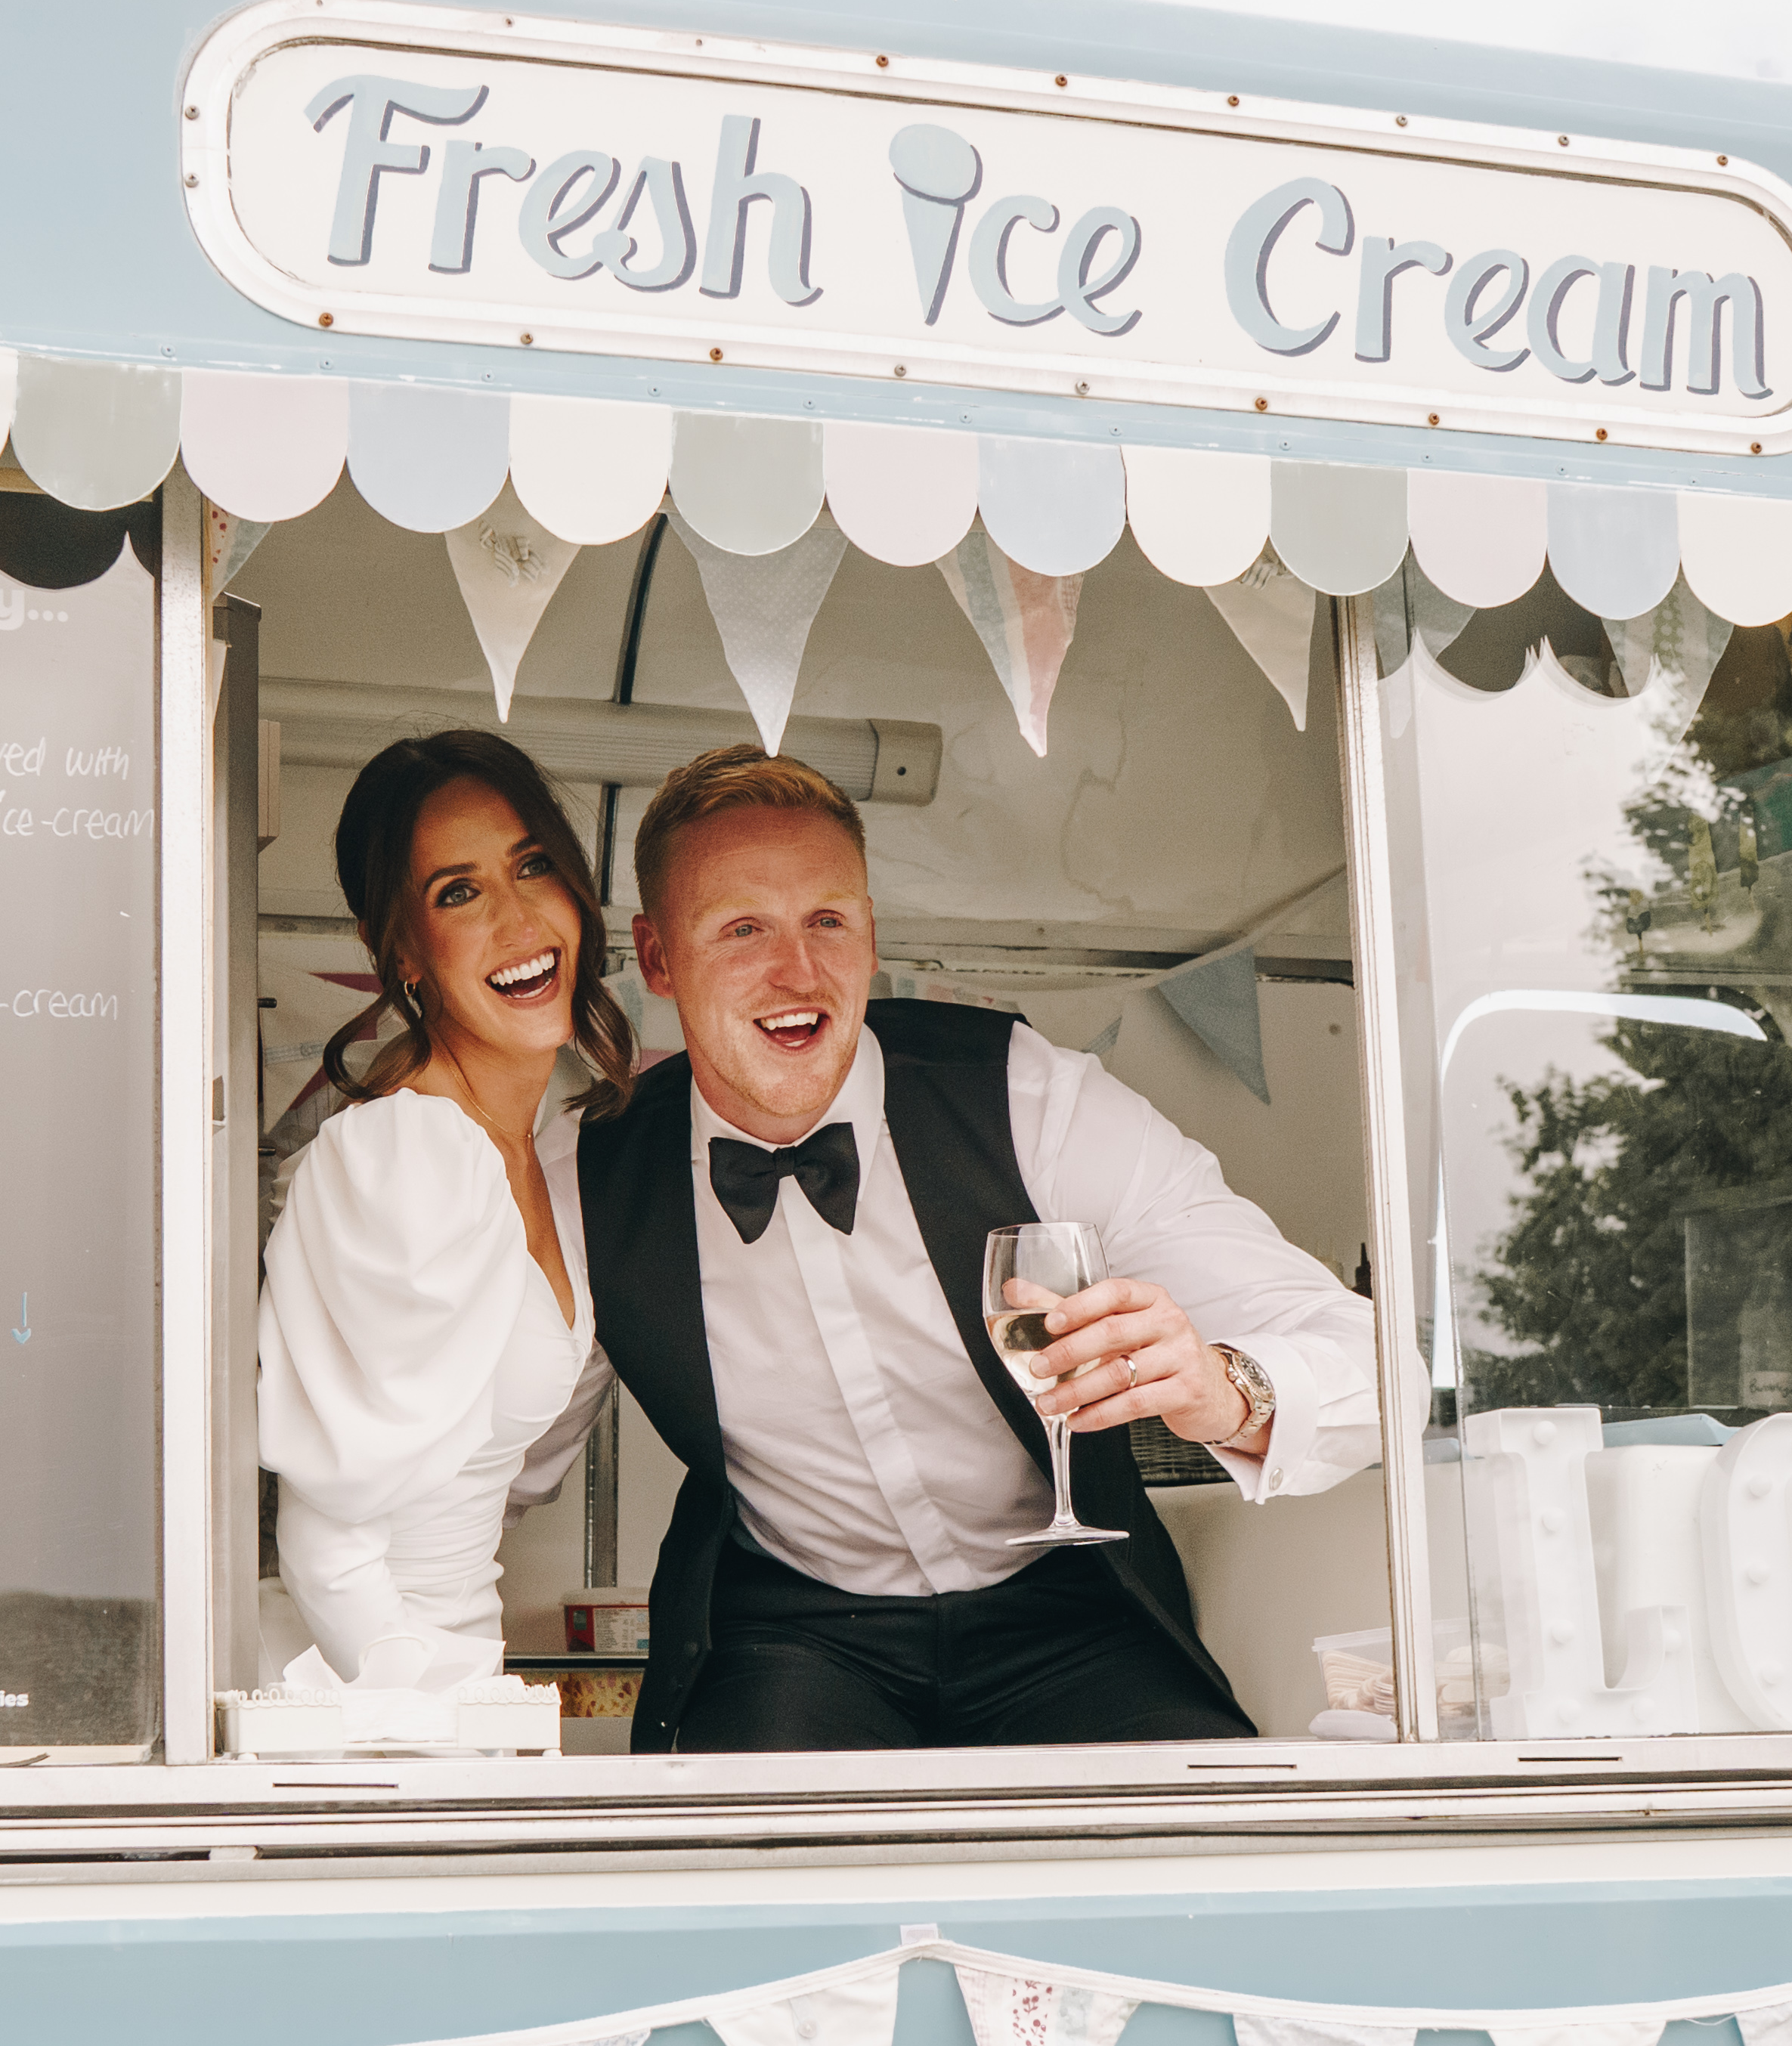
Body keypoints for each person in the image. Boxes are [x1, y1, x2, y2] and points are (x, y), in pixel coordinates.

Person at [575, 744, 1399, 1752]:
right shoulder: (590, 1175)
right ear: (657, 957)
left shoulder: (1032, 1101)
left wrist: (1227, 1389)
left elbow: (1375, 1360)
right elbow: (489, 1443)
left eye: (829, 920)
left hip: (1068, 1615)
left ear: (871, 931)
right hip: (788, 1641)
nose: (798, 971)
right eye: (743, 928)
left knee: (1202, 1836)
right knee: (749, 1867)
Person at [254, 729, 626, 1690]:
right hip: (375, 1698)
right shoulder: (409, 1157)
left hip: (461, 1677)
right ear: (404, 953)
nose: (516, 919)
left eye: (532, 865)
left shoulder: (528, 1146)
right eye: (457, 892)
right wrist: (439, 1725)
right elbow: (327, 1544)